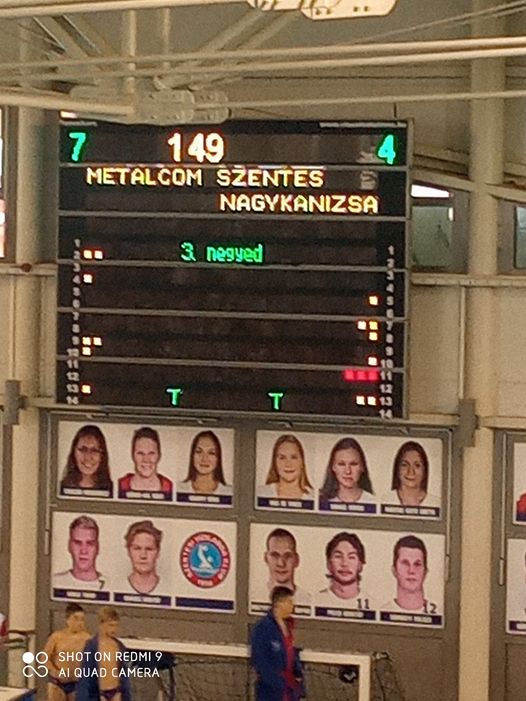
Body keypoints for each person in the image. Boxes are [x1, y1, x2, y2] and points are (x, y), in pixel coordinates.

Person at [250, 586, 304, 701]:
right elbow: (259, 659)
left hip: (290, 690)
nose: (293, 606)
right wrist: (277, 684)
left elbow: (291, 653)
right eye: (289, 602)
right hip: (271, 692)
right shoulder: (263, 628)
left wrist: (298, 675)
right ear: (279, 604)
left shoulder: (288, 626)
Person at [76, 606, 132, 701]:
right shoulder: (92, 646)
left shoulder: (119, 646)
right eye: (111, 625)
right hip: (98, 693)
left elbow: (124, 674)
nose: (114, 629)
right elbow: (85, 674)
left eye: (116, 625)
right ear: (102, 625)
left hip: (116, 692)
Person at [43, 603, 91, 701]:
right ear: (67, 620)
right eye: (76, 619)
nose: (79, 623)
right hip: (57, 682)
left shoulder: (87, 639)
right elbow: (44, 657)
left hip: (76, 682)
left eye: (82, 619)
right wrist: (55, 671)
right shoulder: (57, 637)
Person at [54, 516, 108, 591]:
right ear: (69, 546)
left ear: (97, 547)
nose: (83, 551)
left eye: (90, 544)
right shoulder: (54, 582)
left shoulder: (110, 585)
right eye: (78, 543)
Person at [118, 427, 173, 499]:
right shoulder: (119, 486)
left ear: (159, 455)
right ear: (132, 455)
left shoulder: (170, 488)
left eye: (151, 453)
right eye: (140, 453)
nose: (146, 460)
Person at [317, 532, 369, 607]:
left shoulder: (374, 606)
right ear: (328, 563)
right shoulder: (314, 602)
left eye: (351, 557)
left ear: (360, 564)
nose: (344, 563)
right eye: (338, 556)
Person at [382, 535, 433, 613]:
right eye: (405, 563)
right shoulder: (381, 612)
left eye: (417, 564)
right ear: (394, 570)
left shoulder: (439, 613)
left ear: (425, 572)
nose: (411, 570)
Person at [262, 528, 310, 607]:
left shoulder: (308, 601)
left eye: (288, 556)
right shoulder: (253, 596)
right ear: (265, 558)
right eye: (275, 555)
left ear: (297, 560)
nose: (281, 563)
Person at [60, 425, 113, 497]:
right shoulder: (59, 488)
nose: (88, 457)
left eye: (94, 450)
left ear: (102, 456)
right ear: (73, 453)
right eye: (83, 449)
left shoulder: (112, 491)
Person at [319, 437, 374, 504]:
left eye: (353, 464)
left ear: (362, 467)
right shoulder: (320, 503)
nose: (348, 471)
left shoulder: (373, 503)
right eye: (341, 464)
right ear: (333, 467)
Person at [258, 435, 313, 500]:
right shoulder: (260, 493)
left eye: (294, 457)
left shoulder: (314, 497)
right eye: (282, 458)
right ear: (275, 462)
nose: (288, 464)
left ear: (302, 462)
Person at [386, 441, 439, 507]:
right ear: (397, 468)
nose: (411, 472)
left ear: (424, 470)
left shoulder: (437, 503)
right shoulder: (384, 500)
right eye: (404, 465)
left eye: (417, 465)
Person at [181, 430, 232, 495]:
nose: (204, 459)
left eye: (211, 453)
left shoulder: (229, 492)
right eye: (199, 451)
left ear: (218, 458)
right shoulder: (178, 489)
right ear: (192, 455)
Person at [124, 520, 162, 594]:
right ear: (128, 551)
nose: (143, 555)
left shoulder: (169, 588)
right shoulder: (116, 586)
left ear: (158, 552)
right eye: (137, 548)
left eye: (149, 549)